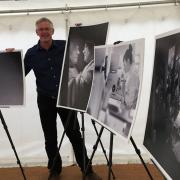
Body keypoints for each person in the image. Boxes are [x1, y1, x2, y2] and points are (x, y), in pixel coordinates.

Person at [7, 17, 101, 180]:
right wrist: (10, 58)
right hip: (45, 100)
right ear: (37, 32)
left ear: (52, 31)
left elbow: (85, 54)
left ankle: (87, 171)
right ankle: (55, 170)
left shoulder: (65, 46)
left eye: (47, 29)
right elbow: (18, 75)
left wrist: (82, 32)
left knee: (75, 135)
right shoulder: (31, 54)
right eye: (41, 29)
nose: (44, 32)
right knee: (50, 137)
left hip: (66, 98)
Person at [67, 40, 94, 110]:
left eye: (85, 47)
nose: (80, 52)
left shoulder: (89, 68)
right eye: (76, 49)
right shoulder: (66, 70)